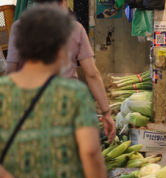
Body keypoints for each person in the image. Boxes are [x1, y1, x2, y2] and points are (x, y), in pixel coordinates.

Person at [0, 5, 116, 178]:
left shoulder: (4, 93)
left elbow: (10, 72)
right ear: (60, 52)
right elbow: (91, 154)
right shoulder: (73, 95)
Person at [7, 0, 116, 143]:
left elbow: (11, 72)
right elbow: (92, 74)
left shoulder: (19, 27)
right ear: (64, 2)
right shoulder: (75, 28)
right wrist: (106, 113)